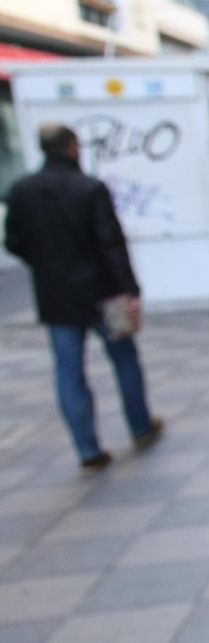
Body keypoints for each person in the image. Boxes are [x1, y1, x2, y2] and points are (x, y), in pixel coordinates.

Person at [3, 122, 163, 470]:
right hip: (107, 293)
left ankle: (87, 449)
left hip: (56, 296)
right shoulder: (89, 188)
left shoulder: (22, 191)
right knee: (124, 359)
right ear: (72, 146)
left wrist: (44, 263)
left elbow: (13, 242)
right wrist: (130, 291)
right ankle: (140, 425)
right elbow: (112, 244)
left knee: (69, 371)